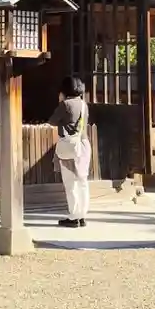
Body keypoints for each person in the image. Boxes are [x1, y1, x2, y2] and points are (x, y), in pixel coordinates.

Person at [48, 76, 91, 228]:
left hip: (70, 146)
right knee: (82, 181)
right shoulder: (83, 105)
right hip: (83, 145)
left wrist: (61, 102)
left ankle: (74, 216)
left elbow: (52, 121)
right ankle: (82, 216)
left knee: (70, 183)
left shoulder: (65, 104)